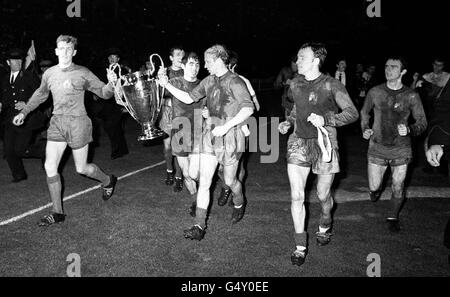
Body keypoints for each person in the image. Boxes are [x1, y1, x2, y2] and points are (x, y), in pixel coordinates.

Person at [12, 35, 118, 226]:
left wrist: (111, 83)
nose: (65, 52)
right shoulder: (49, 73)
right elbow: (41, 95)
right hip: (57, 123)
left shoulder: (83, 72)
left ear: (74, 52)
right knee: (49, 166)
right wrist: (25, 111)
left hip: (78, 123)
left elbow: (104, 93)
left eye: (69, 49)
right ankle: (57, 212)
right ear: (56, 51)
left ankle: (108, 180)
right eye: (62, 48)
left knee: (81, 169)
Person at [158, 44, 254, 241]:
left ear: (218, 60)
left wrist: (227, 126)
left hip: (230, 136)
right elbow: (187, 98)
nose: (205, 66)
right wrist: (166, 84)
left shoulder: (235, 82)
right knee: (204, 182)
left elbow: (248, 109)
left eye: (208, 61)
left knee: (230, 181)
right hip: (210, 134)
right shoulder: (208, 81)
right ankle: (199, 225)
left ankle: (239, 201)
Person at [278, 42, 358, 266]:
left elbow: (352, 113)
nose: (297, 61)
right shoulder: (295, 83)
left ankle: (325, 220)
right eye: (297, 57)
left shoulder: (332, 85)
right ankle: (300, 245)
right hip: (299, 143)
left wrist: (327, 119)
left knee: (323, 194)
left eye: (302, 57)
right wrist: (288, 123)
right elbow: (296, 111)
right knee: (296, 195)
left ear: (316, 60)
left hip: (325, 144)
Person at [360, 56, 427, 233]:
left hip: (401, 147)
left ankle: (393, 216)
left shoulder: (411, 95)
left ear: (403, 71)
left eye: (393, 67)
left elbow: (422, 122)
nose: (388, 70)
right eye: (386, 66)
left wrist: (410, 129)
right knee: (374, 186)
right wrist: (365, 128)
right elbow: (364, 112)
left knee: (398, 185)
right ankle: (375, 191)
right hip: (377, 145)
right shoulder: (375, 92)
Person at [214, 50, 260, 207]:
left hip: (239, 131)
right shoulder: (215, 80)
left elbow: (255, 106)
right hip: (219, 130)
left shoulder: (241, 81)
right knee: (220, 167)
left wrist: (238, 119)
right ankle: (226, 187)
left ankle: (236, 196)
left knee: (239, 166)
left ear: (231, 65)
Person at [0, 48, 45, 182]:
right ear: (8, 62)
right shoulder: (4, 79)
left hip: (26, 118)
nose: (18, 62)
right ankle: (19, 174)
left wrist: (26, 103)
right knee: (8, 151)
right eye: (14, 60)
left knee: (20, 149)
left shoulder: (29, 76)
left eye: (20, 59)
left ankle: (44, 150)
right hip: (9, 119)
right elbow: (4, 97)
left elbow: (41, 94)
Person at [169, 52, 203, 216]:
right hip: (179, 130)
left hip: (198, 130)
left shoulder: (203, 84)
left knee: (196, 172)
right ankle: (196, 201)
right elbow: (153, 91)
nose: (194, 68)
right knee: (186, 173)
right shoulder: (174, 82)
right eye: (190, 64)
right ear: (182, 66)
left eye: (197, 64)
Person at [87, 47, 129, 160]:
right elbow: (99, 84)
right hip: (105, 103)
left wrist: (126, 105)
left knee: (111, 126)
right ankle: (122, 149)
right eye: (110, 57)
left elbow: (127, 89)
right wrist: (95, 93)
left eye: (114, 56)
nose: (111, 58)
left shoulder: (123, 71)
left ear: (118, 59)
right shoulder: (104, 71)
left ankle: (116, 151)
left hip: (118, 104)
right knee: (114, 127)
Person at [159, 46, 185, 192]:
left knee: (179, 147)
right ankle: (169, 171)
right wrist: (158, 78)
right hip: (167, 111)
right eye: (177, 55)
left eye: (182, 55)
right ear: (170, 57)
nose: (180, 57)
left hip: (181, 112)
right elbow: (159, 93)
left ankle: (179, 177)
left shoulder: (187, 71)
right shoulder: (164, 71)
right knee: (168, 146)